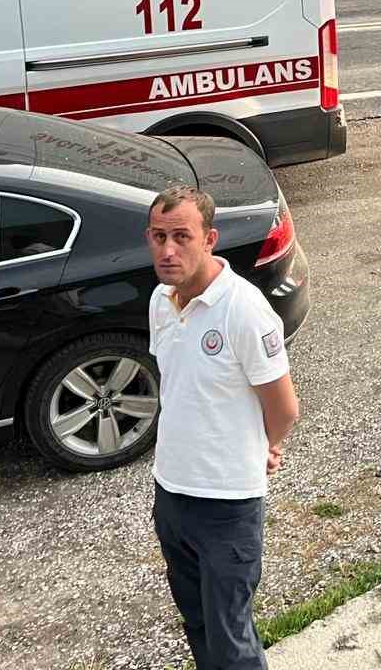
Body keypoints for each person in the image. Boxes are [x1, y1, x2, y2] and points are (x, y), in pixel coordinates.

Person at [148, 185, 299, 670]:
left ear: (209, 239)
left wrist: (263, 444)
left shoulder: (244, 309)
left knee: (231, 640)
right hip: (171, 494)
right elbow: (181, 386)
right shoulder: (159, 301)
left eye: (182, 237)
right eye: (158, 236)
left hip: (227, 507)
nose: (168, 250)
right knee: (197, 623)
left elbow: (284, 408)